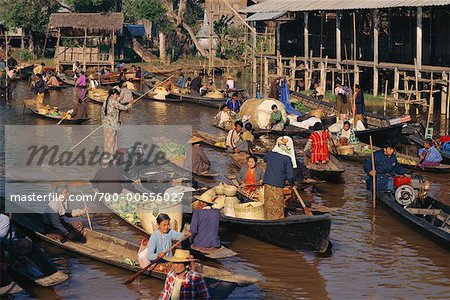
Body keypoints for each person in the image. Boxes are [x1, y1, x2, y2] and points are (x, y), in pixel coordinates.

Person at [263, 136, 296, 220]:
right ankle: (277, 221)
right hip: (277, 185)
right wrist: (292, 184)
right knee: (277, 207)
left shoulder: (270, 153)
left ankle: (268, 220)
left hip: (267, 183)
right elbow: (290, 176)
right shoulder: (286, 158)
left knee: (268, 205)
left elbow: (265, 159)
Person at [102, 88, 136, 156]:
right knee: (111, 141)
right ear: (113, 94)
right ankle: (110, 156)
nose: (117, 96)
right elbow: (124, 108)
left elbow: (110, 111)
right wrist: (131, 103)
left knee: (108, 141)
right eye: (117, 95)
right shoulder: (114, 102)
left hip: (106, 124)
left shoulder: (106, 101)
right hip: (111, 125)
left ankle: (112, 153)